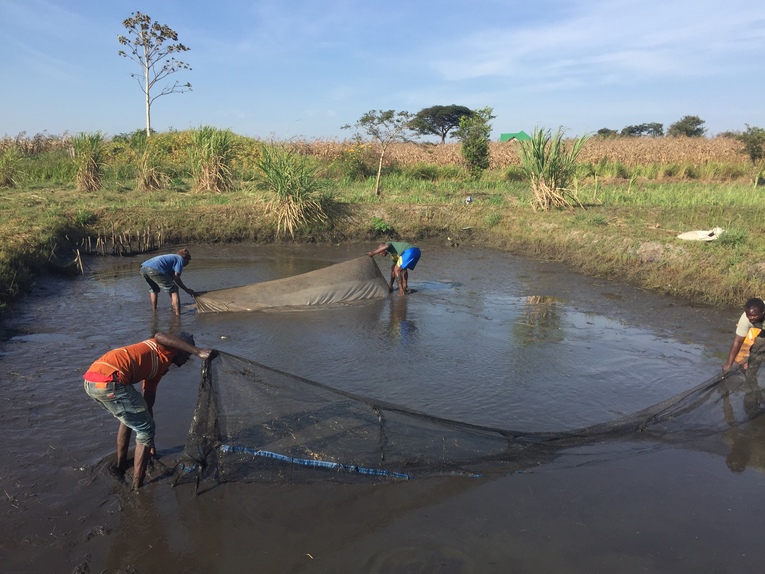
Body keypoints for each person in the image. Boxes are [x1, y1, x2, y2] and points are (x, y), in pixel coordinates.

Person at [83, 332, 217, 490]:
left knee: (130, 420)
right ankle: (137, 486)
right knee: (145, 429)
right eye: (187, 353)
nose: (187, 359)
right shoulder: (165, 349)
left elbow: (148, 402)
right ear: (178, 347)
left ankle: (121, 466)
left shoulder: (160, 367)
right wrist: (198, 351)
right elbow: (160, 335)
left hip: (93, 381)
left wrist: (150, 444)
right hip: (110, 380)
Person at [140, 248, 197, 315]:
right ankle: (178, 314)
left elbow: (171, 282)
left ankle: (154, 310)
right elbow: (176, 277)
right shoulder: (180, 259)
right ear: (185, 258)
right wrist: (186, 289)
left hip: (143, 268)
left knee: (154, 289)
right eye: (188, 261)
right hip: (155, 269)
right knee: (175, 290)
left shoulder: (172, 258)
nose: (188, 263)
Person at [723, 297, 765, 372]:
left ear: (763, 312)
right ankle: (751, 374)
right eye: (748, 315)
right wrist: (729, 364)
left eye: (754, 316)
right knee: (756, 349)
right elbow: (737, 342)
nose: (751, 318)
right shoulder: (745, 319)